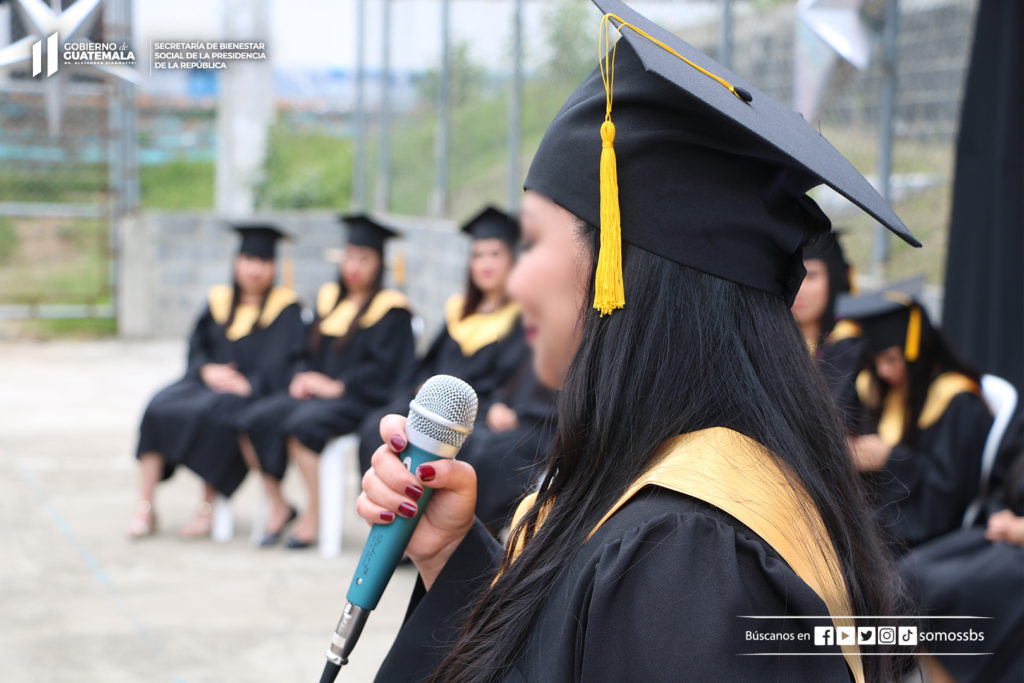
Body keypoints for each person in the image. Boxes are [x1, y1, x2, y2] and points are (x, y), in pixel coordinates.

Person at [356, 2, 920, 680]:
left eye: (532, 241)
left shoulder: (688, 558)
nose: (514, 277)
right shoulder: (683, 511)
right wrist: (452, 560)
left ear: (624, 272)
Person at [238, 215, 415, 548]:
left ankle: (315, 516)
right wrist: (303, 377)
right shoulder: (330, 299)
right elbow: (304, 349)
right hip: (319, 395)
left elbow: (387, 370)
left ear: (379, 264)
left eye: (364, 258)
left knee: (303, 424)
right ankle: (279, 504)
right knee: (252, 418)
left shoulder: (391, 311)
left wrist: (339, 387)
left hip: (361, 399)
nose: (353, 266)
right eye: (349, 255)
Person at [127, 224, 305, 539]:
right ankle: (146, 506)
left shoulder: (286, 309)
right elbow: (197, 348)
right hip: (206, 382)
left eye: (263, 261)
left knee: (215, 415)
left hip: (249, 392)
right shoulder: (218, 301)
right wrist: (207, 370)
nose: (254, 269)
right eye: (248, 259)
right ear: (236, 262)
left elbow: (282, 363)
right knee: (158, 405)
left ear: (273, 267)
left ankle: (206, 510)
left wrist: (246, 384)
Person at [356, 206, 528, 474]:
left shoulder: (522, 318)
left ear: (512, 260)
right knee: (374, 427)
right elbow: (428, 362)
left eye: (495, 254)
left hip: (476, 415)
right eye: (478, 255)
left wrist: (502, 405)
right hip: (435, 408)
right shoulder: (458, 310)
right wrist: (421, 386)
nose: (485, 264)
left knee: (477, 450)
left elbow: (519, 378)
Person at [837, 279, 993, 551]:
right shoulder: (888, 390)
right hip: (886, 519)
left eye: (892, 360)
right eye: (877, 361)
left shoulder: (957, 401)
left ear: (916, 350)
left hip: (927, 534)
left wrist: (890, 458)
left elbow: (946, 498)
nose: (884, 371)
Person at [898, 443, 1024, 683]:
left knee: (964, 589)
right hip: (1005, 536)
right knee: (917, 571)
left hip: (1017, 555)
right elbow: (1004, 488)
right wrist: (1002, 514)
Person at [457, 352, 556, 535]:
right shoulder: (535, 346)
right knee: (465, 439)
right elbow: (505, 381)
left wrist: (520, 416)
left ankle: (479, 531)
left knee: (492, 455)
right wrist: (498, 404)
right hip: (509, 419)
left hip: (544, 432)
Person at [791, 231, 865, 432]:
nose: (799, 288)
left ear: (833, 279)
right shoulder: (771, 341)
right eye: (793, 275)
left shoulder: (849, 348)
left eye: (811, 276)